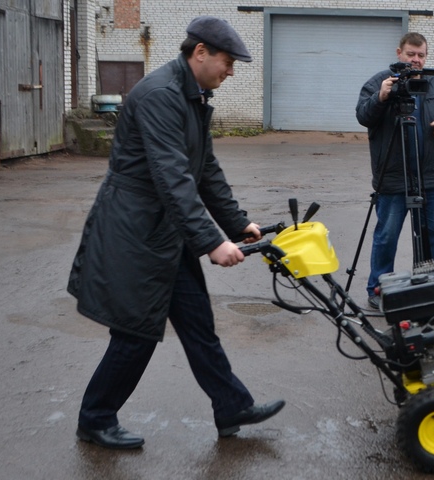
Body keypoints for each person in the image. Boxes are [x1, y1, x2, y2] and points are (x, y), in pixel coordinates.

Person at [67, 16, 284, 450]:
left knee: (198, 323)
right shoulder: (161, 95)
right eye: (227, 61)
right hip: (135, 230)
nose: (231, 71)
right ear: (199, 52)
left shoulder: (193, 95)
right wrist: (212, 242)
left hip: (167, 231)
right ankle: (95, 418)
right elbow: (172, 179)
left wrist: (237, 223)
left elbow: (204, 169)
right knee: (135, 332)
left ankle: (231, 405)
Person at [355, 32, 434, 309]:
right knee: (387, 236)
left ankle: (425, 283)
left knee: (433, 232)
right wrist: (381, 97)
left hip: (429, 177)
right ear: (399, 53)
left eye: (421, 55)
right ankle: (377, 289)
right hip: (392, 177)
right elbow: (363, 116)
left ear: (426, 56)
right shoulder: (379, 82)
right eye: (411, 54)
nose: (416, 60)